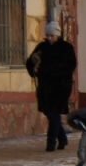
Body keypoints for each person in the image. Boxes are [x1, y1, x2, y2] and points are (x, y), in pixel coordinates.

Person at [26, 21, 77, 152]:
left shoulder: (66, 47)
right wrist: (34, 67)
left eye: (52, 35)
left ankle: (51, 143)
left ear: (57, 35)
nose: (49, 38)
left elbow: (71, 65)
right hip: (45, 86)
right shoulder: (42, 47)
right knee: (49, 113)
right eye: (47, 35)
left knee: (54, 113)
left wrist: (55, 72)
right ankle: (63, 138)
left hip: (60, 86)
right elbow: (30, 61)